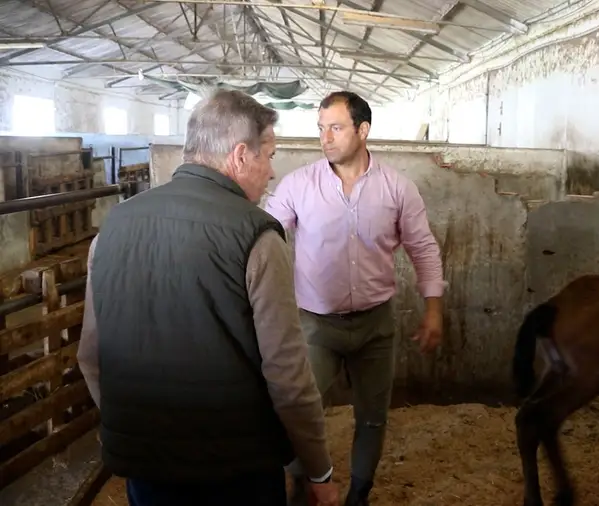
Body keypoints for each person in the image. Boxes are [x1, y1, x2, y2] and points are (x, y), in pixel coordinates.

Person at [76, 89, 340, 506]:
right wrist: (319, 469)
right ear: (240, 155)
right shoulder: (258, 235)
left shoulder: (111, 228)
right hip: (236, 469)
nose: (271, 171)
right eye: (268, 155)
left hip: (148, 466)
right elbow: (288, 376)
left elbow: (90, 355)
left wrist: (133, 428)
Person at [264, 91, 445, 506]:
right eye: (321, 128)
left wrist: (434, 308)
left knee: (373, 417)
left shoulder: (397, 188)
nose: (325, 137)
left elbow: (423, 248)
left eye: (336, 127)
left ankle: (359, 494)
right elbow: (265, 236)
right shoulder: (298, 185)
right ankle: (298, 486)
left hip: (376, 324)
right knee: (298, 412)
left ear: (363, 131)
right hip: (315, 325)